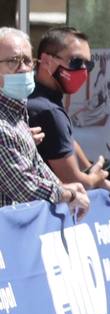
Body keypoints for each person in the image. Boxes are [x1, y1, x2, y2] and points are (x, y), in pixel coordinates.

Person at [0, 27, 90, 215]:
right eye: (13, 61)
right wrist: (68, 194)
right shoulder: (6, 122)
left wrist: (66, 188)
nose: (23, 68)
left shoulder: (18, 114)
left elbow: (38, 166)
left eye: (27, 61)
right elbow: (24, 186)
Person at [28, 25, 110, 194]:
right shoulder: (49, 111)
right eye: (75, 61)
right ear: (46, 61)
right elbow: (76, 182)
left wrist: (89, 169)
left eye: (88, 64)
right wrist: (96, 178)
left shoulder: (33, 95)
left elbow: (65, 140)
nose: (83, 70)